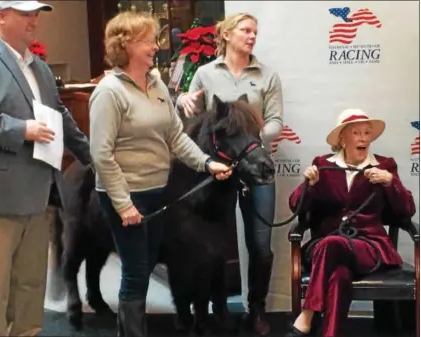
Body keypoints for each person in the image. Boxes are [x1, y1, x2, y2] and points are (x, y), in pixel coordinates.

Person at [89, 11, 233, 337]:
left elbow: (175, 137)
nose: (155, 46)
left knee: (147, 263)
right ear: (124, 45)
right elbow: (101, 153)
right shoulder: (109, 92)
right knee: (137, 270)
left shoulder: (156, 85)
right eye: (147, 41)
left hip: (157, 192)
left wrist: (206, 164)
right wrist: (124, 204)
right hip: (125, 195)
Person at [0, 1, 92, 336]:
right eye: (25, 13)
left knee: (29, 287)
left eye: (36, 14)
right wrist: (20, 130)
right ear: (0, 16)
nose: (34, 21)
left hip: (39, 194)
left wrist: (94, 158)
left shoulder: (39, 67)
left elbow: (62, 119)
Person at [176, 12, 284, 336]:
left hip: (254, 168)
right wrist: (182, 99)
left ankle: (257, 311)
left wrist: (250, 141)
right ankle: (215, 308)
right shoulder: (205, 74)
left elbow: (276, 120)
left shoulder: (267, 75)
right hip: (216, 175)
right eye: (245, 30)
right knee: (215, 245)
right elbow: (188, 116)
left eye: (255, 31)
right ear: (226, 34)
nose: (252, 36)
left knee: (260, 244)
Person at [285, 109, 416, 337]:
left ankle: (307, 313)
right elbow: (296, 206)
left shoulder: (384, 165)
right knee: (339, 276)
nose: (363, 138)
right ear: (342, 139)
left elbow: (406, 210)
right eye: (356, 133)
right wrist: (309, 185)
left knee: (333, 244)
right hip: (325, 247)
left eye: (367, 133)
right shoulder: (323, 165)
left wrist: (390, 182)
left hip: (368, 247)